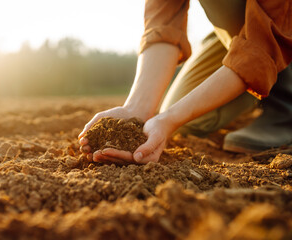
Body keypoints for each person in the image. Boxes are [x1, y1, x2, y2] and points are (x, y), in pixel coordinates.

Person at [78, 0, 292, 165]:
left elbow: (263, 45)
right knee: (184, 115)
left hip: (280, 21)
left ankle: (285, 106)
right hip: (247, 31)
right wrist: (138, 108)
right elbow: (163, 23)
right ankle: (252, 85)